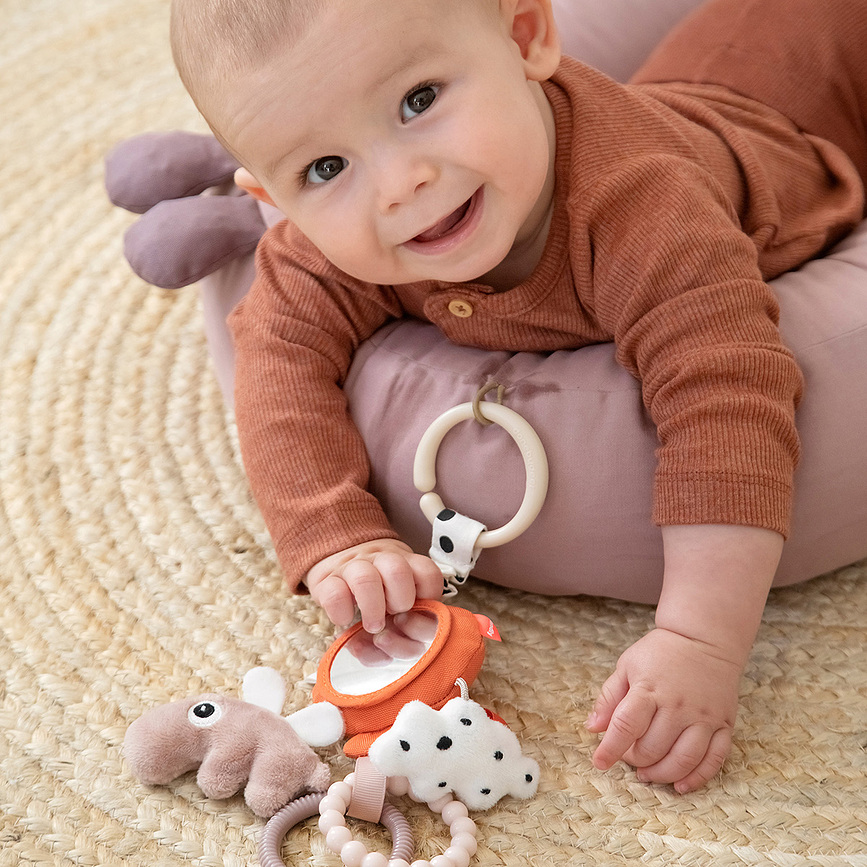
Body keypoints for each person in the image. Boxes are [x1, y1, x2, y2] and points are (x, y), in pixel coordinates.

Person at [168, 0, 867, 793]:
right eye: (325, 169)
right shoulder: (331, 247)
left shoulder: (645, 207)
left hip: (810, 100)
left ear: (526, 38)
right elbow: (275, 353)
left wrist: (698, 639)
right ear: (273, 198)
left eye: (418, 100)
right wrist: (335, 536)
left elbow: (728, 399)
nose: (400, 184)